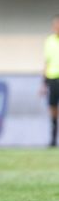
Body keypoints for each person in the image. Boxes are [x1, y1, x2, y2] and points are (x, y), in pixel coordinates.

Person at [42, 15, 59, 147]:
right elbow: (46, 63)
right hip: (52, 78)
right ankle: (53, 139)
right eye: (55, 25)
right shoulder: (49, 41)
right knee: (52, 108)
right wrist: (43, 83)